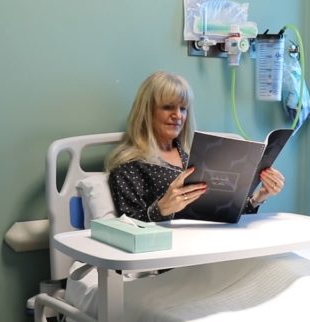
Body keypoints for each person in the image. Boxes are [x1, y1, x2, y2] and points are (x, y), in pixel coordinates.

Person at [106, 70, 285, 222]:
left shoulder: (196, 159)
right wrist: (161, 209)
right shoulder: (129, 168)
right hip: (173, 256)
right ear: (147, 111)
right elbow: (127, 231)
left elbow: (223, 214)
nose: (178, 116)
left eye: (183, 108)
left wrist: (259, 196)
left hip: (215, 247)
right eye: (168, 107)